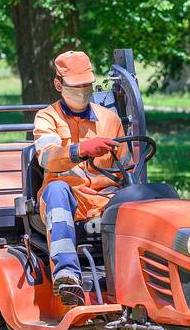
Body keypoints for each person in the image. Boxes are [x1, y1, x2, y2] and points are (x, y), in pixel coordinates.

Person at [31, 50, 127, 306]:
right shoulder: (47, 118)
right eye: (76, 86)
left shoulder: (110, 119)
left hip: (104, 199)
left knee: (138, 200)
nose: (83, 91)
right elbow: (48, 158)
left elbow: (124, 171)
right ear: (59, 85)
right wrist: (80, 150)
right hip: (66, 199)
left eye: (88, 85)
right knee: (57, 189)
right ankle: (67, 275)